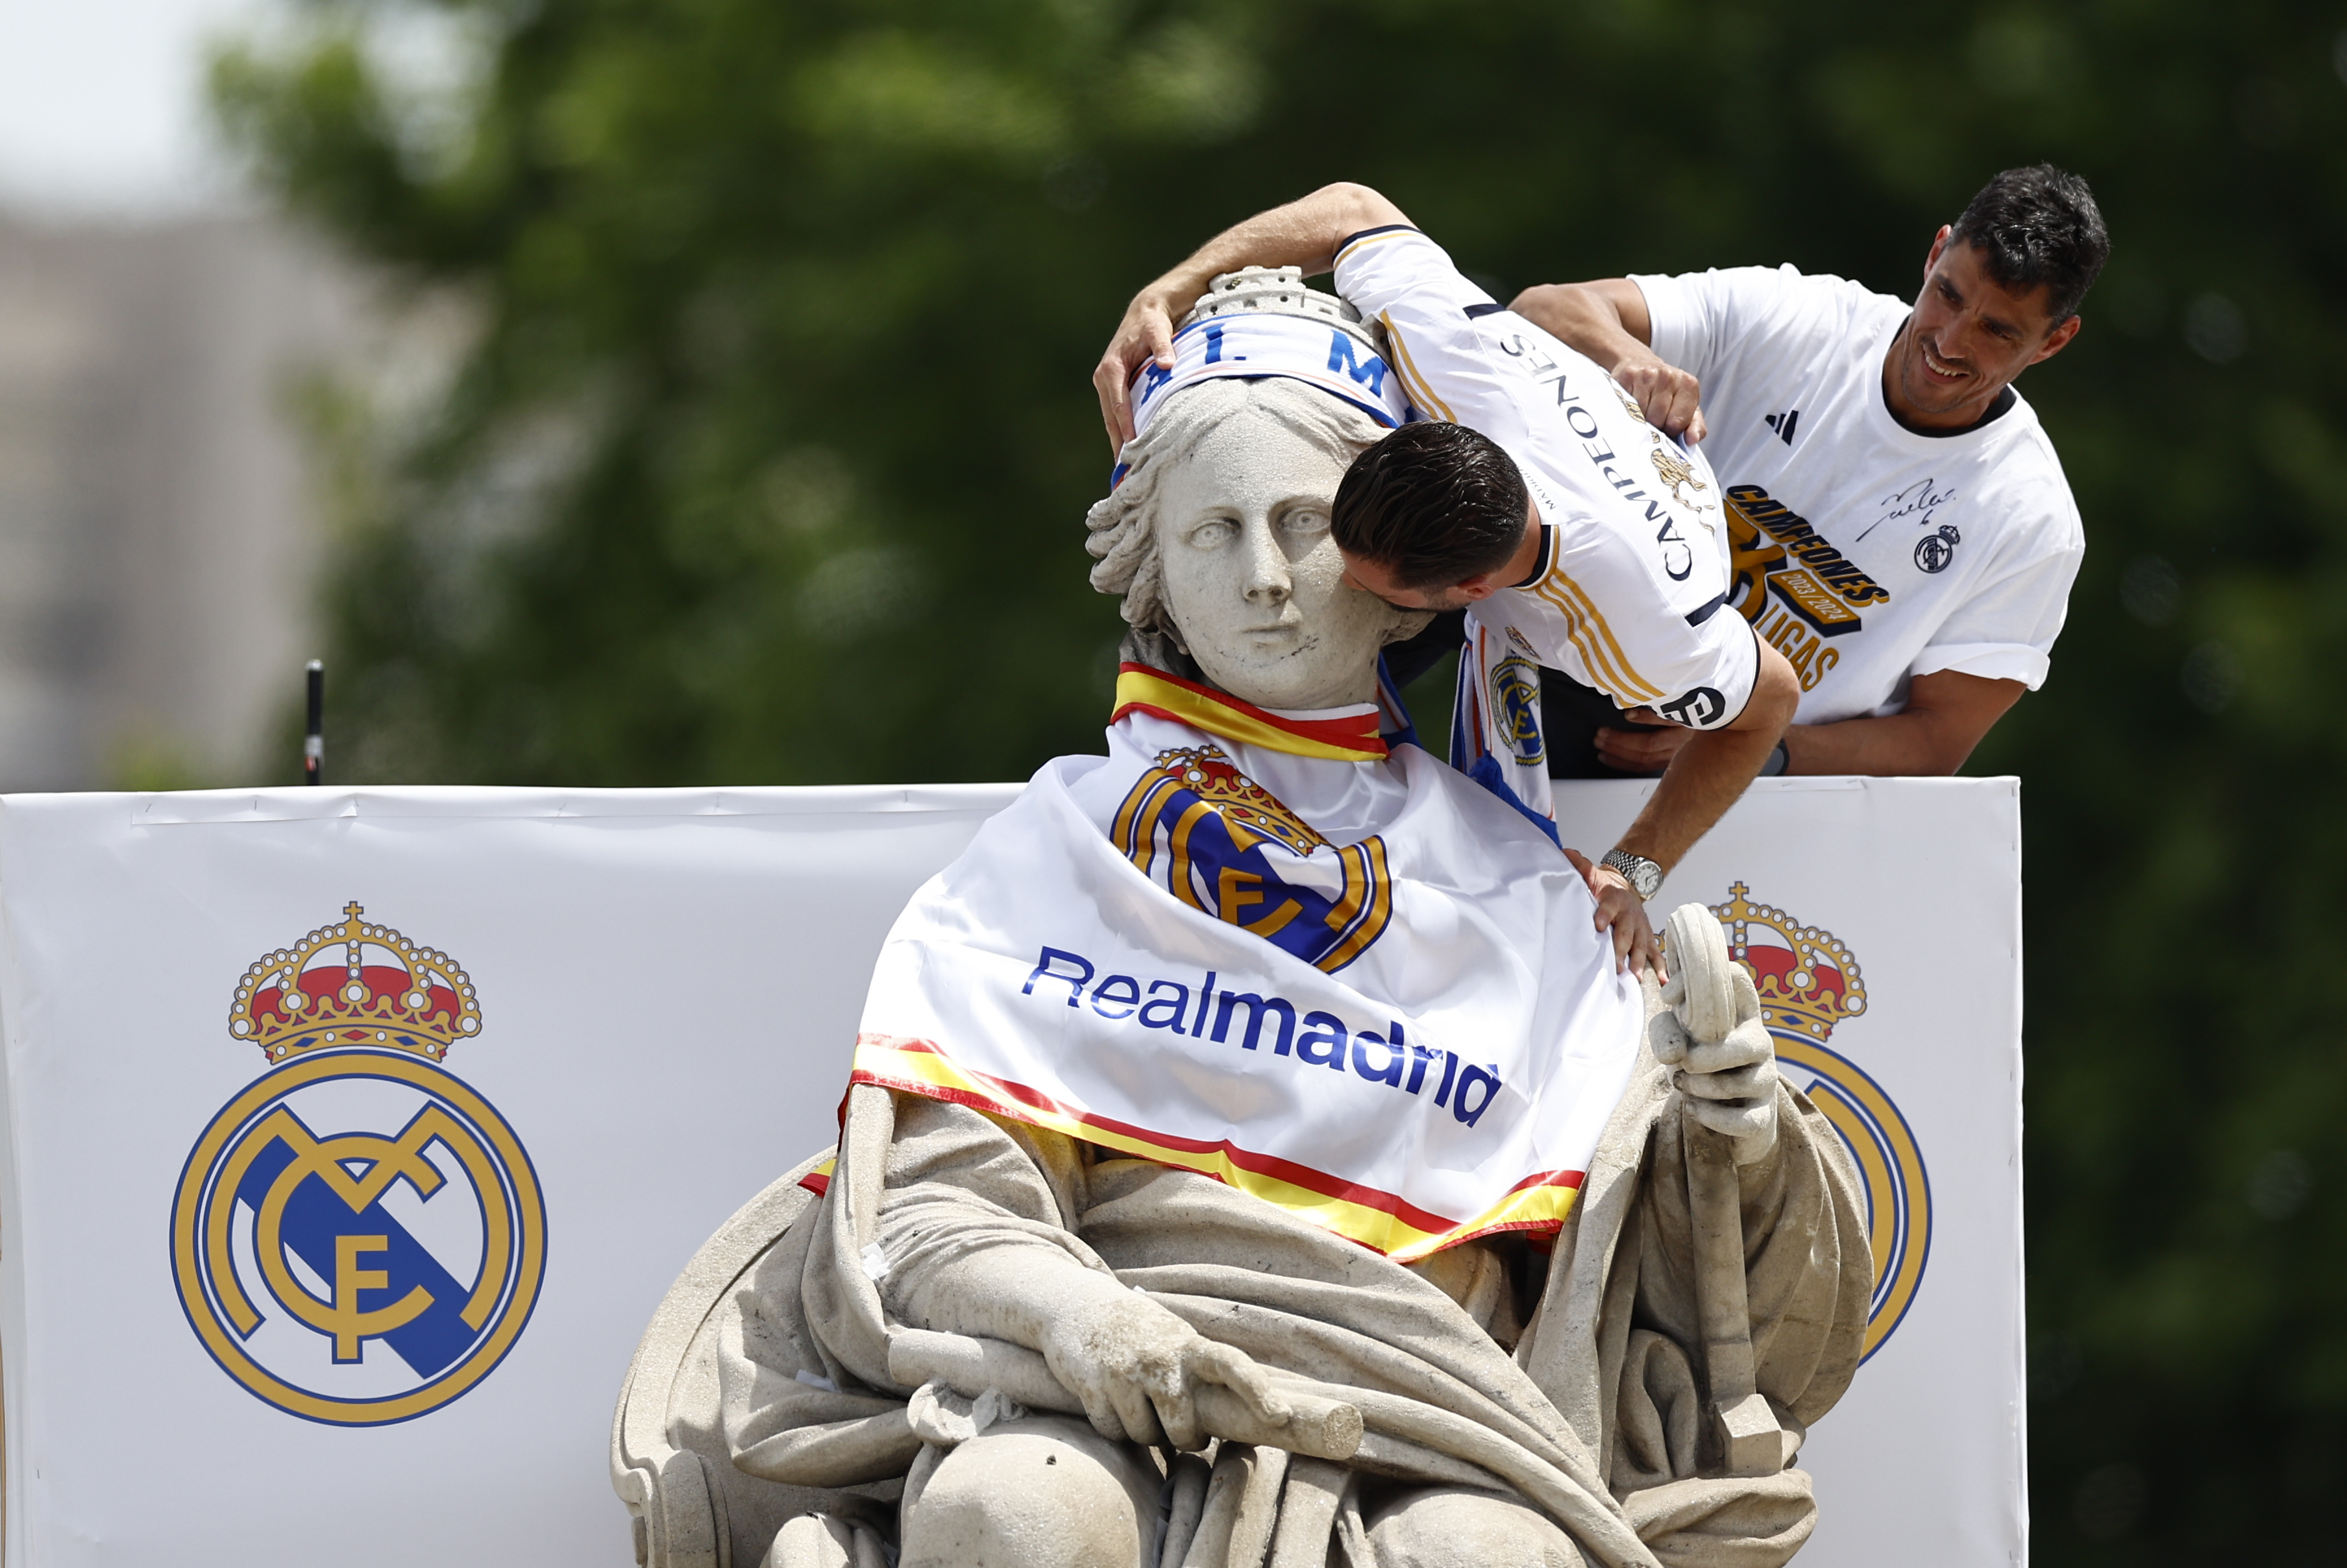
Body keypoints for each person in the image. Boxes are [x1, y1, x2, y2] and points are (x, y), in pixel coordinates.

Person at [715, 317, 1869, 1568]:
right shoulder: (1057, 847)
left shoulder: (1533, 886)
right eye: (1213, 531)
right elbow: (931, 1209)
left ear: (1393, 567)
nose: (1263, 577)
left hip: (1439, 1417)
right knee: (1018, 1511)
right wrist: (1079, 1316)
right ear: (1151, 563)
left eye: (1302, 524)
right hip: (1108, 1388)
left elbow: (1696, 1296)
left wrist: (1738, 1143)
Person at [1096, 184, 1802, 978]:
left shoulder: (1645, 639)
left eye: (1373, 586)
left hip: (1663, 576)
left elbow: (1770, 702)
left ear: (1467, 594)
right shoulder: (1453, 367)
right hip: (1554, 435)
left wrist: (1634, 868)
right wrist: (1166, 290)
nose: (1291, 580)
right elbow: (1353, 208)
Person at [1507, 164, 2105, 776]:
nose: (1950, 342)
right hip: (1544, 646)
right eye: (1948, 296)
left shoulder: (2031, 519)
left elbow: (1936, 740)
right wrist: (1631, 359)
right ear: (1934, 255)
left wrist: (1754, 743)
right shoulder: (1799, 319)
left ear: (2054, 342)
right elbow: (1543, 309)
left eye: (1996, 332)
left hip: (1727, 786)